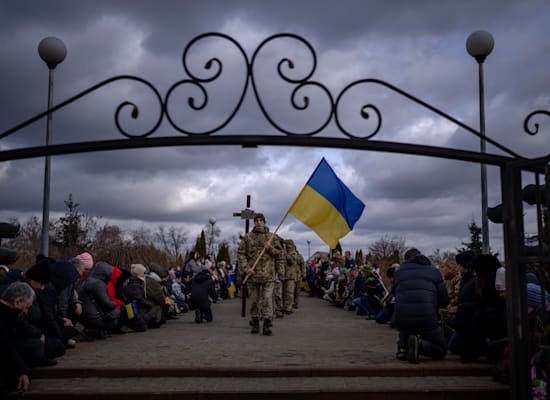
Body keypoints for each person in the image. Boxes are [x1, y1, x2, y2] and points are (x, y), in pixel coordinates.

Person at [393, 248, 449, 364]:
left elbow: (395, 294)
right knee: (441, 349)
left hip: (401, 319)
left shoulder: (399, 272)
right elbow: (443, 299)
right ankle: (420, 345)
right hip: (427, 318)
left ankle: (403, 348)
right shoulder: (434, 271)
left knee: (405, 327)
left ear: (406, 260)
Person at [237, 213, 282, 336]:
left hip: (268, 275)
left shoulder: (271, 237)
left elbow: (279, 254)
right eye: (257, 220)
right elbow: (241, 253)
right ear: (254, 222)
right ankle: (255, 323)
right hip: (253, 275)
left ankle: (267, 325)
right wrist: (246, 268)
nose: (259, 222)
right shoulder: (248, 237)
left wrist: (270, 248)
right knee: (254, 301)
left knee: (267, 300)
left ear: (264, 222)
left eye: (261, 220)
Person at [0, 281, 34, 397]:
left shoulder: (9, 314)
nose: (25, 311)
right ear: (17, 301)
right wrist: (22, 370)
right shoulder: (6, 318)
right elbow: (6, 345)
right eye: (26, 307)